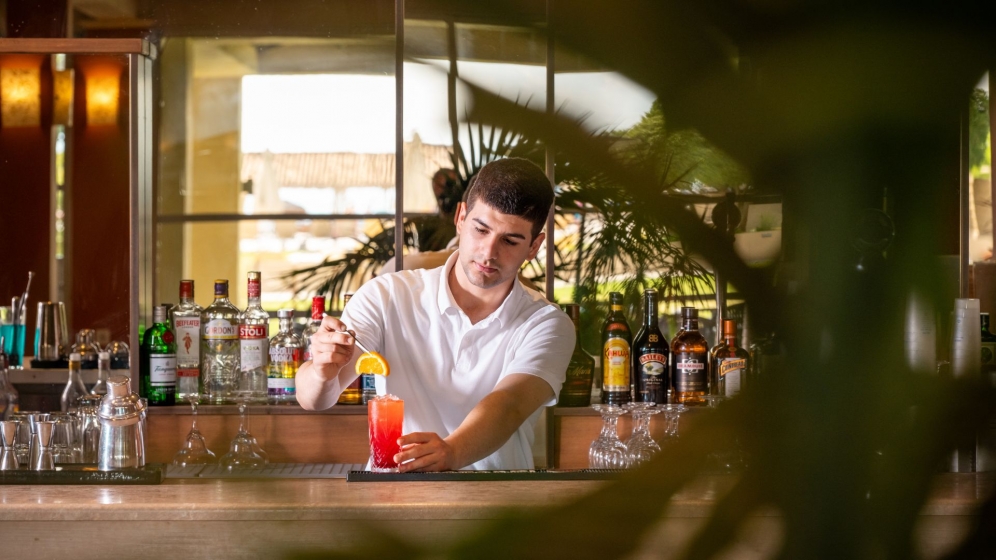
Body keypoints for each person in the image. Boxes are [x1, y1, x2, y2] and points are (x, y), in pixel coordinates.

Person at [297, 158, 574, 471]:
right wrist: (321, 371)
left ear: (534, 246)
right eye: (480, 230)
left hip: (496, 497)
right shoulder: (386, 296)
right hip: (394, 489)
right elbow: (314, 400)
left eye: (510, 241)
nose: (488, 253)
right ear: (461, 218)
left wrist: (452, 452)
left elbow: (510, 404)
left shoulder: (547, 323)